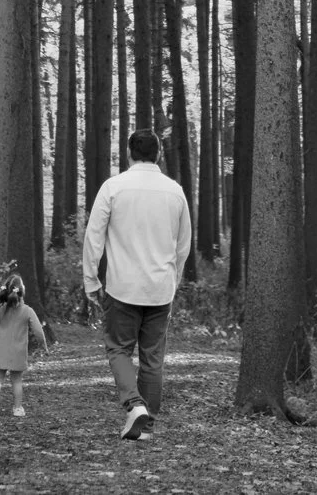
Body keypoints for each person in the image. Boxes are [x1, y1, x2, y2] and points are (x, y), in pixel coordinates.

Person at [80, 127, 194, 442]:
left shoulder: (113, 187)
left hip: (122, 287)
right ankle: (147, 425)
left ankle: (133, 404)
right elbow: (183, 245)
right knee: (153, 358)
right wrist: (174, 280)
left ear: (129, 153)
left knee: (118, 348)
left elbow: (94, 237)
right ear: (158, 154)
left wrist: (91, 280)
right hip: (160, 289)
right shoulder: (175, 191)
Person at [0, 272, 50, 417]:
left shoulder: (1, 310)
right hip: (18, 353)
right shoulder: (28, 311)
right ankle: (17, 408)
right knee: (16, 381)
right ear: (22, 291)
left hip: (0, 350)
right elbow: (38, 331)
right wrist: (43, 345)